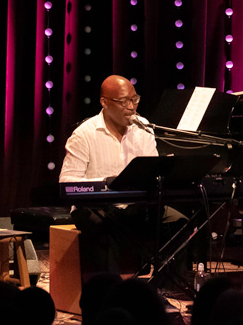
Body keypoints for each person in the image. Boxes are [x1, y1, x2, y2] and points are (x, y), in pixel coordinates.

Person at [60, 75, 193, 285]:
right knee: (105, 228)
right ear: (104, 102)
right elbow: (67, 183)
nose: (131, 107)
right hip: (97, 209)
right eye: (123, 102)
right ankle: (112, 295)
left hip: (136, 206)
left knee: (180, 223)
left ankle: (163, 290)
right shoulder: (84, 135)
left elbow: (152, 170)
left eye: (135, 99)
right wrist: (105, 182)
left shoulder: (143, 128)